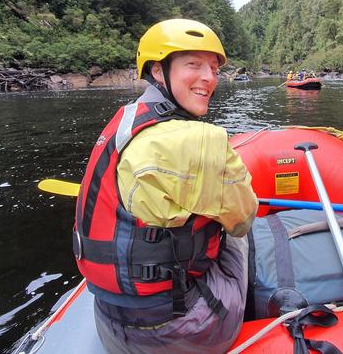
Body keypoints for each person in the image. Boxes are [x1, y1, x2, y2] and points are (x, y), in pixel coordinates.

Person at [73, 19, 259, 353]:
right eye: (194, 64)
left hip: (110, 323)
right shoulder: (200, 140)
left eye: (214, 68)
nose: (209, 78)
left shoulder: (126, 121)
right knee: (240, 236)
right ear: (159, 71)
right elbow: (243, 220)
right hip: (182, 333)